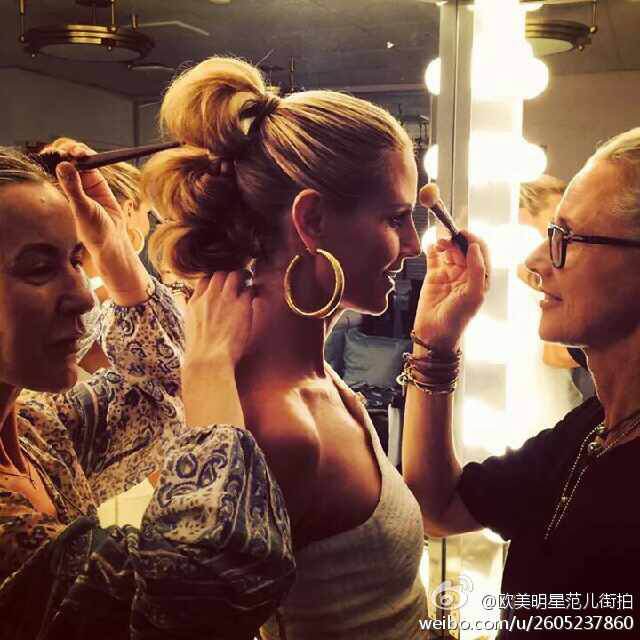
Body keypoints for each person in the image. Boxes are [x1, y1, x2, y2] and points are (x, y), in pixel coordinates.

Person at [142, 56, 428, 639]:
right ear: (313, 220)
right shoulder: (281, 427)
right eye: (396, 218)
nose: (413, 245)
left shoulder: (319, 382)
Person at [0, 147, 294, 638]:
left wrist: (114, 251)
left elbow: (158, 397)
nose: (82, 296)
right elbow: (203, 593)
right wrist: (210, 366)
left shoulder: (36, 431)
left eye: (76, 259)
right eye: (37, 268)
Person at [403, 127, 640, 637]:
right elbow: (439, 506)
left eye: (566, 239)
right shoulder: (590, 431)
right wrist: (434, 344)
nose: (534, 263)